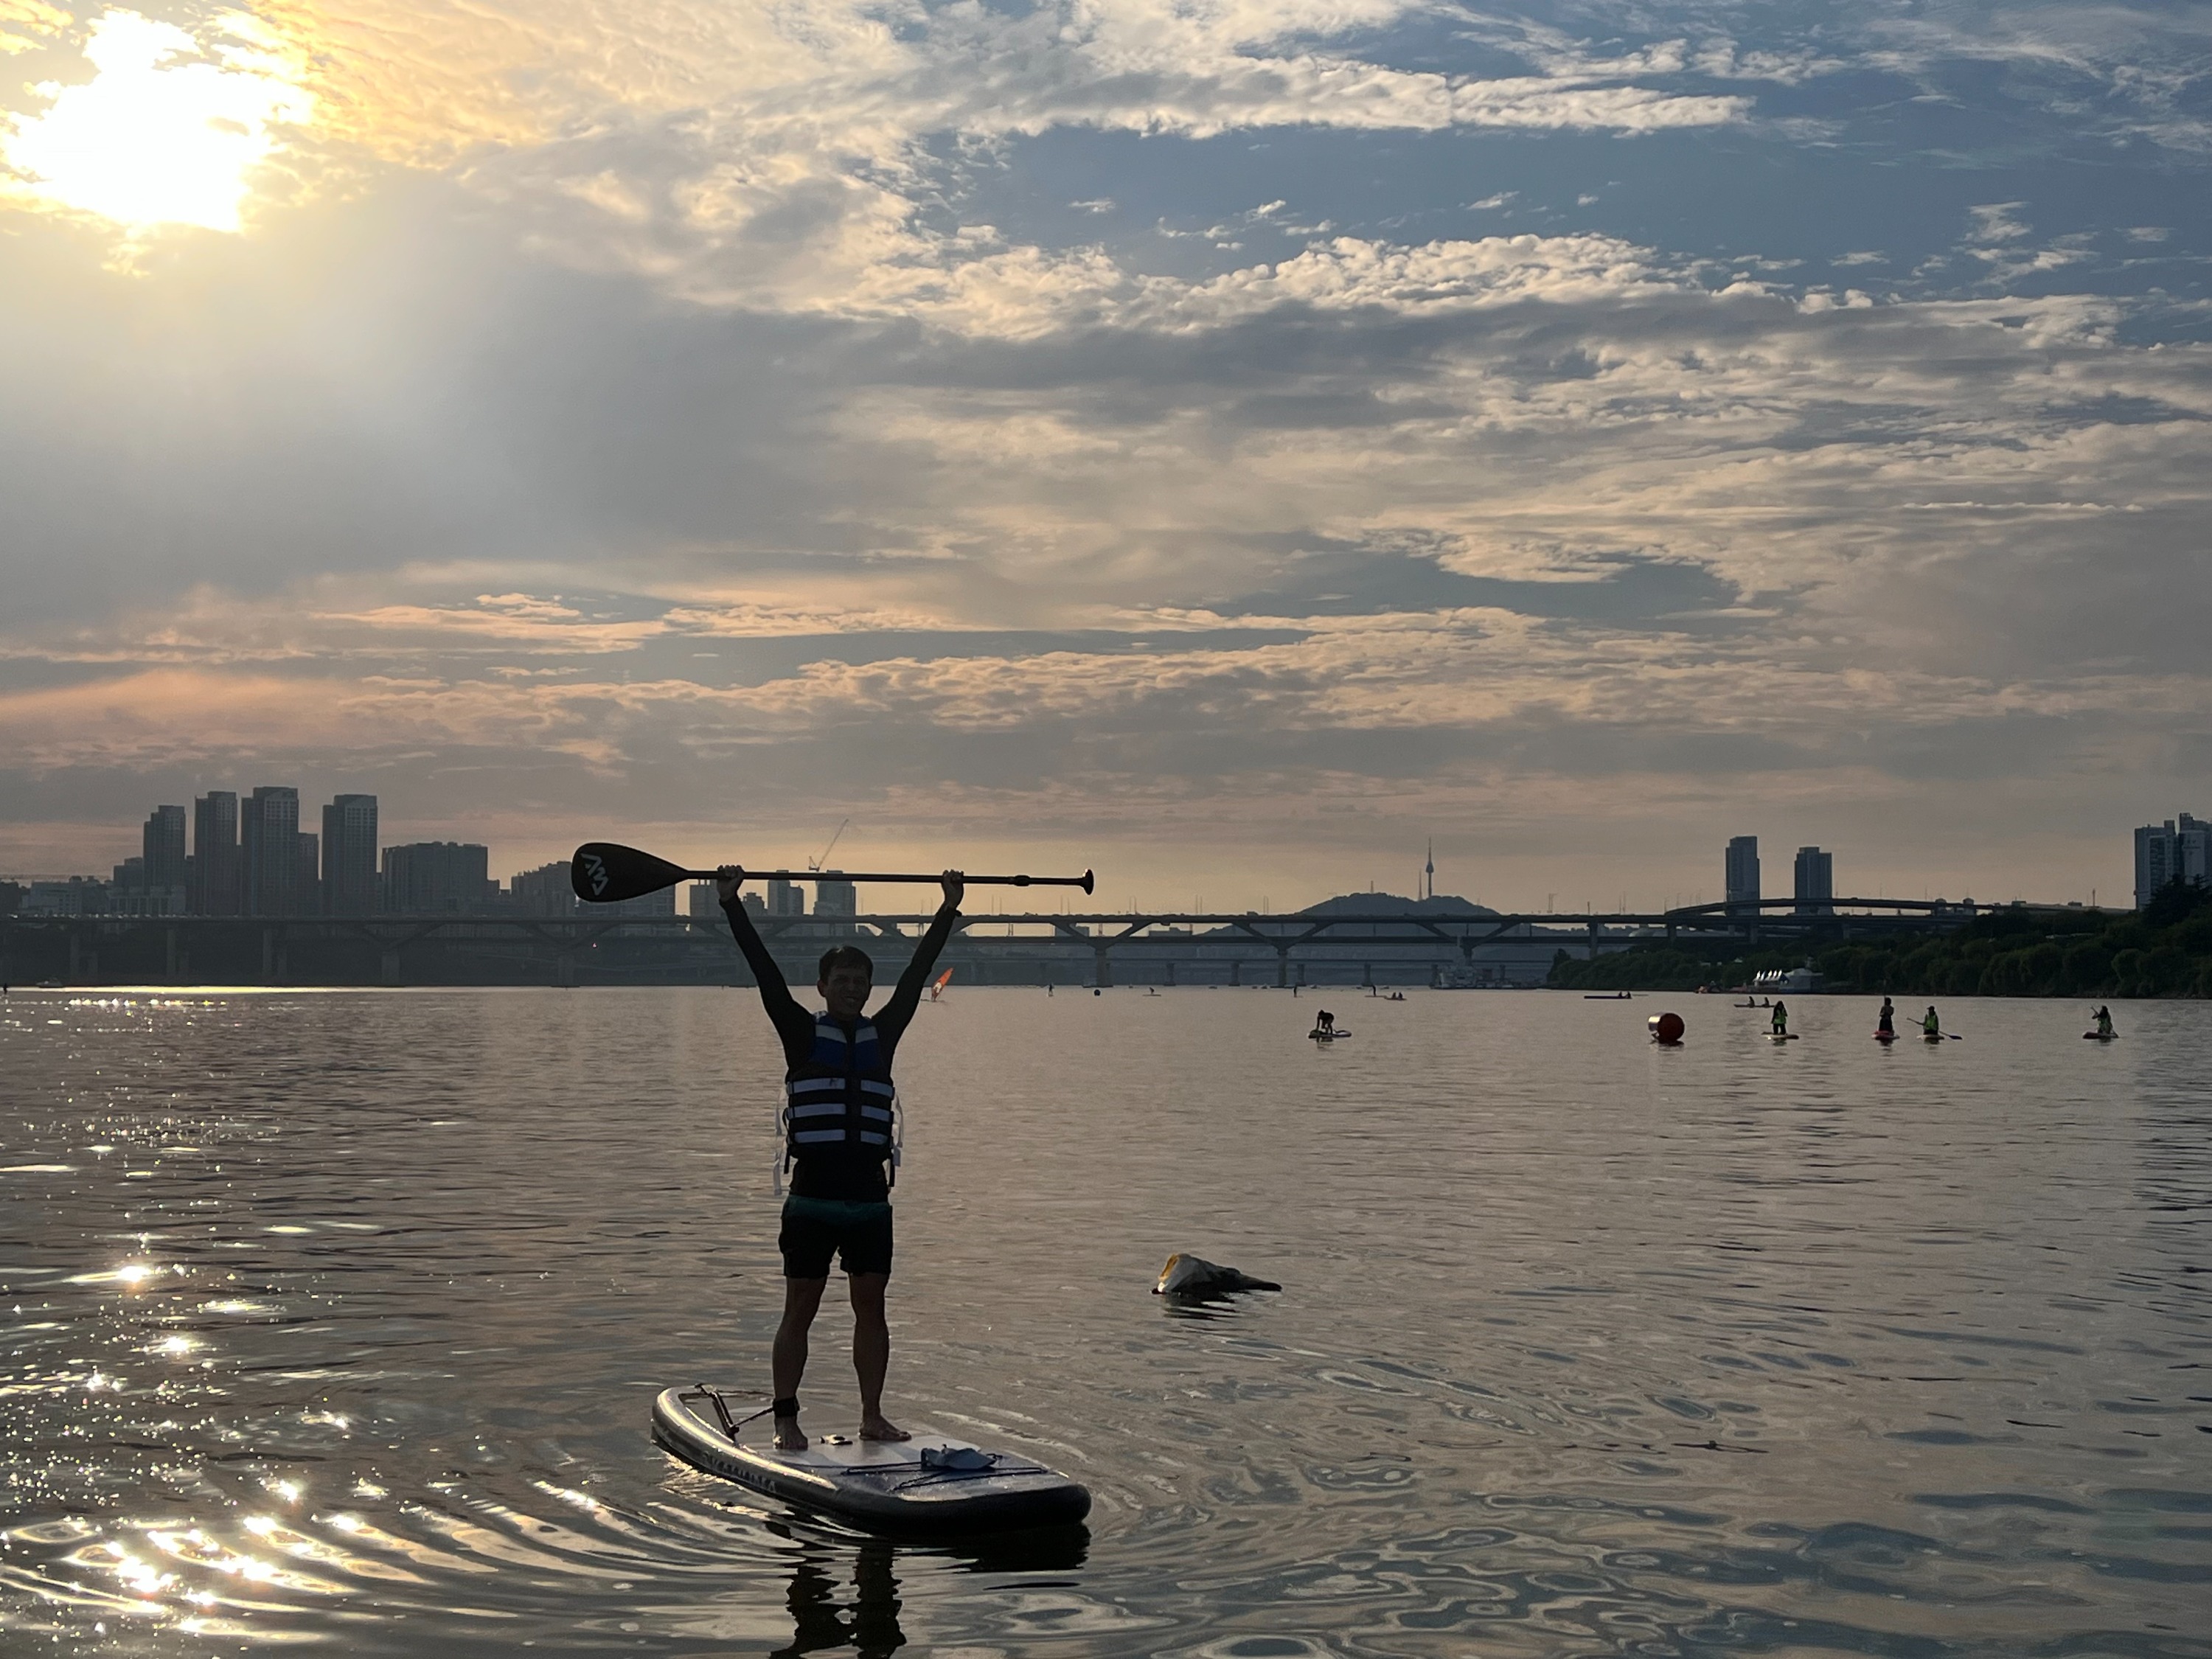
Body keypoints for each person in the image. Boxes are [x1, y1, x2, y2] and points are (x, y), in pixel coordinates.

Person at [715, 863, 964, 1452]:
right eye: (842, 980)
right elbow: (764, 972)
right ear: (823, 986)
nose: (853, 988)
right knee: (799, 1309)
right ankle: (784, 1418)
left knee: (871, 1310)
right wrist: (732, 903)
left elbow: (918, 972)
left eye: (860, 981)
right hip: (812, 1202)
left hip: (870, 1204)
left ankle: (872, 1416)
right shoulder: (800, 1032)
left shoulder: (886, 1033)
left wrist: (948, 907)